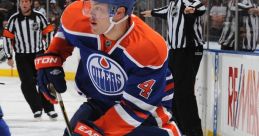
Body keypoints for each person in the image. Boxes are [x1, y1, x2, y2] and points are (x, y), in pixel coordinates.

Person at [34, 0, 181, 135]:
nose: (90, 13)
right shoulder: (78, 18)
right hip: (99, 102)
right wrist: (54, 55)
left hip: (146, 116)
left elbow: (136, 108)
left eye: (98, 9)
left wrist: (99, 130)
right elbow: (66, 32)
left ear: (119, 13)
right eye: (90, 5)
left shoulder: (148, 48)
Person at [141, 0, 206, 135]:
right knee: (173, 91)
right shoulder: (173, 4)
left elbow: (200, 6)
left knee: (184, 92)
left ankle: (193, 131)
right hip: (175, 51)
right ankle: (179, 127)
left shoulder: (189, 2)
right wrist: (152, 12)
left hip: (189, 50)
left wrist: (192, 9)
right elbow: (165, 11)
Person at [2, 0, 57, 119]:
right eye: (22, 2)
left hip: (39, 54)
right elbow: (7, 37)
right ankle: (37, 108)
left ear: (31, 3)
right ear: (19, 4)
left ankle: (49, 109)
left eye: (26, 1)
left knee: (44, 81)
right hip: (21, 56)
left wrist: (49, 50)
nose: (24, 4)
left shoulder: (39, 17)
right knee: (27, 83)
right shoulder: (14, 19)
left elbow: (48, 32)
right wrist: (9, 56)